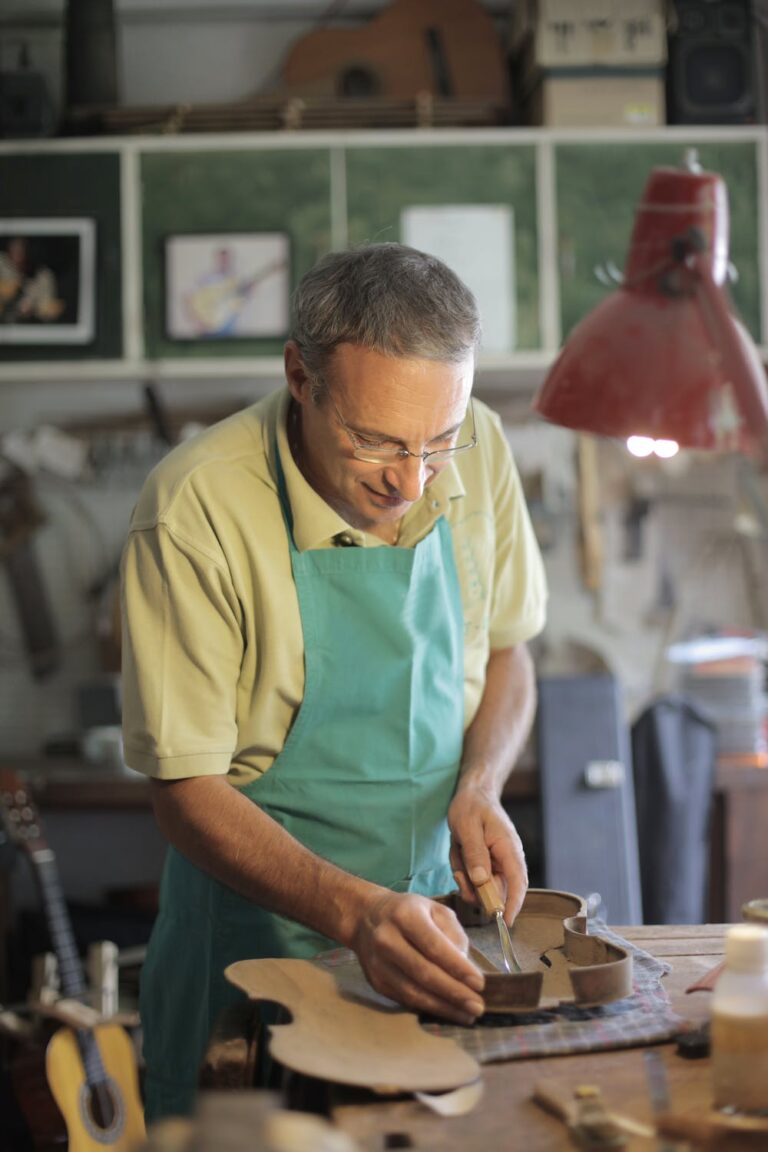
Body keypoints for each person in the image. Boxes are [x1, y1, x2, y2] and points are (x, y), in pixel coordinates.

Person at [121, 243, 547, 1121]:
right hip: (248, 975)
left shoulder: (482, 448)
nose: (411, 479)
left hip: (432, 945)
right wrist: (354, 914)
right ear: (300, 377)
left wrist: (480, 784)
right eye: (376, 441)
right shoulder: (195, 508)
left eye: (438, 442)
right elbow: (183, 788)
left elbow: (510, 649)